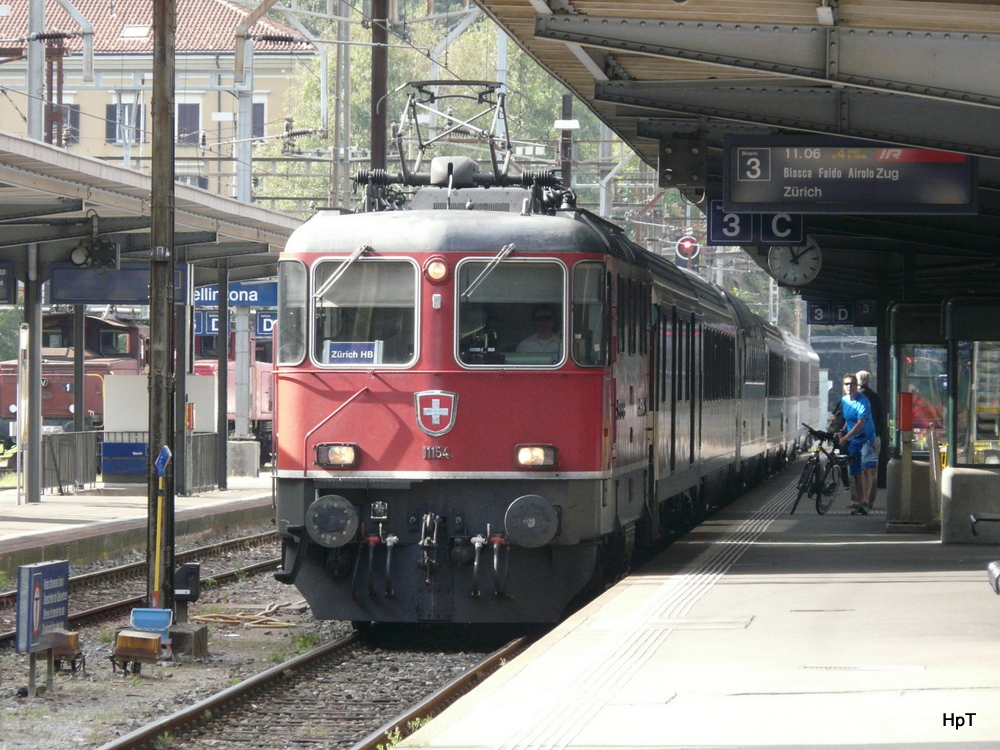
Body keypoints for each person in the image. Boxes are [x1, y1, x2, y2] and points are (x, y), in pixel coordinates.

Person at [837, 373, 878, 515]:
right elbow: (849, 422)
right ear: (843, 386)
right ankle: (861, 502)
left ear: (857, 386)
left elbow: (861, 423)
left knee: (866, 470)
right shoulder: (844, 401)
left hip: (867, 439)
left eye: (852, 384)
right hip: (854, 441)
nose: (849, 386)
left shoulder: (863, 401)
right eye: (846, 384)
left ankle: (866, 501)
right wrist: (841, 432)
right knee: (855, 473)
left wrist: (845, 437)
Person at [856, 370, 884, 509]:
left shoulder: (855, 397)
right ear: (868, 381)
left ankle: (858, 500)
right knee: (871, 471)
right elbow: (880, 418)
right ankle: (869, 501)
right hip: (873, 438)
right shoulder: (875, 396)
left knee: (858, 470)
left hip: (858, 438)